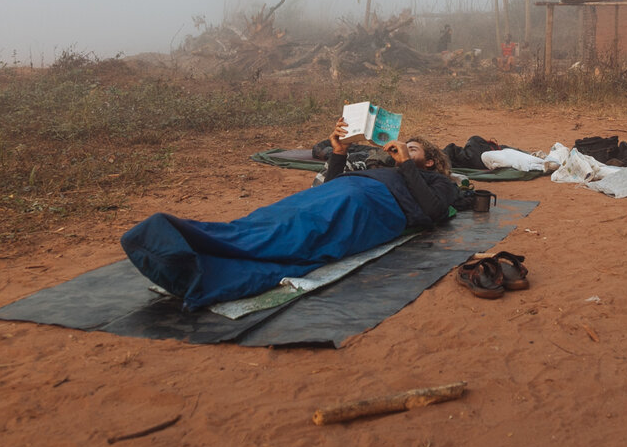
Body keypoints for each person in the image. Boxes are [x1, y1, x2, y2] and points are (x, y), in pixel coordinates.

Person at [120, 121, 459, 310]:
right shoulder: (376, 166)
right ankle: (182, 244)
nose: (402, 150)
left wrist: (404, 165)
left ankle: (196, 264)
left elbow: (434, 212)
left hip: (369, 208)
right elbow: (333, 182)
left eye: (412, 148)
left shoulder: (437, 181)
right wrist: (339, 154)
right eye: (402, 147)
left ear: (429, 161)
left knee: (299, 234)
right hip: (335, 193)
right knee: (270, 218)